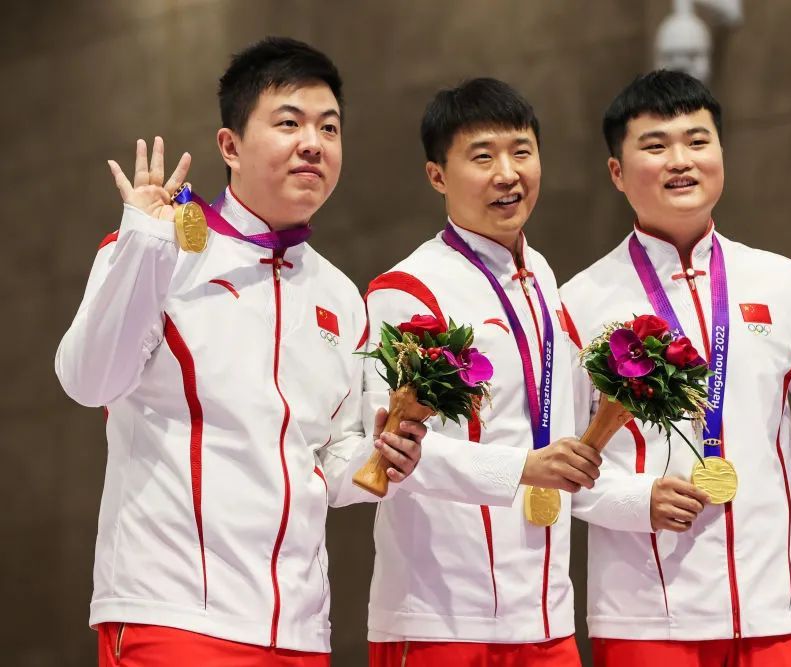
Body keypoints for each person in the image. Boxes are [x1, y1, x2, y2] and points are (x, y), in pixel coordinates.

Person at [55, 36, 423, 666]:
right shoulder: (158, 249)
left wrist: (382, 457)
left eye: (329, 127)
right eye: (289, 123)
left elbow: (330, 460)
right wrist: (142, 243)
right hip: (173, 617)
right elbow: (88, 382)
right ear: (229, 146)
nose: (313, 143)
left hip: (300, 631)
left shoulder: (341, 295)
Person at [561, 69, 791, 667]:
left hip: (773, 610)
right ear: (617, 172)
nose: (680, 160)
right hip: (647, 616)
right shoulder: (578, 303)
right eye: (655, 145)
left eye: (698, 141)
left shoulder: (781, 281)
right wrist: (636, 499)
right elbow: (556, 464)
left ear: (721, 153)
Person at [362, 78, 600, 667]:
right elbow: (393, 452)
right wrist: (525, 468)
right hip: (442, 619)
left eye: (521, 151)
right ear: (437, 176)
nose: (507, 174)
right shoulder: (407, 290)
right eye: (483, 156)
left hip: (547, 616)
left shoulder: (541, 276)